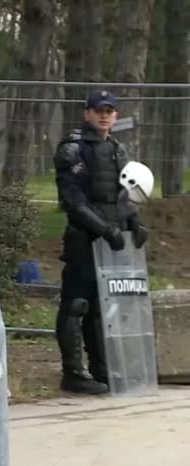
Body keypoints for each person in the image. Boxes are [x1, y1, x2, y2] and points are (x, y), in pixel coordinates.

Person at [52, 90, 148, 395]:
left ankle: (102, 370)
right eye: (99, 110)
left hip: (112, 244)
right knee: (76, 304)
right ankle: (73, 373)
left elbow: (124, 195)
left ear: (116, 115)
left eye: (110, 111)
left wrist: (134, 223)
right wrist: (103, 228)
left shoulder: (119, 149)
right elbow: (73, 201)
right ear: (87, 113)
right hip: (84, 239)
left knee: (101, 307)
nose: (104, 115)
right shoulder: (73, 149)